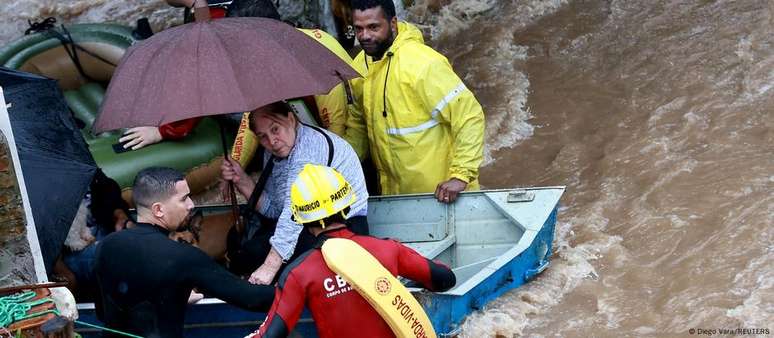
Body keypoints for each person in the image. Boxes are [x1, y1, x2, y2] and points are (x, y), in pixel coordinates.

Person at [245, 164, 455, 337]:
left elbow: (271, 335)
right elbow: (444, 279)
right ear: (346, 206)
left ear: (302, 220)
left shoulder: (299, 274)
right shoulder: (387, 249)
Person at [93, 167, 274, 338]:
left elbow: (103, 312)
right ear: (158, 209)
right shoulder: (182, 256)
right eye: (184, 199)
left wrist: (171, 296)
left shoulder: (104, 246)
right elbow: (251, 298)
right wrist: (296, 282)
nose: (191, 204)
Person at [344, 0, 486, 203]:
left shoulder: (423, 64)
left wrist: (460, 176)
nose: (365, 35)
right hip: (396, 198)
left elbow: (469, 116)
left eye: (373, 27)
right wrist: (340, 166)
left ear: (392, 24)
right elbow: (358, 126)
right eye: (358, 29)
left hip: (444, 197)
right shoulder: (360, 66)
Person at [220, 101, 369, 285]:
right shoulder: (276, 152)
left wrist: (270, 266)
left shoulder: (307, 149)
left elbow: (292, 213)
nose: (272, 142)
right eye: (263, 137)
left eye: (275, 129)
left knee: (261, 259)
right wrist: (242, 180)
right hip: (311, 225)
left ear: (291, 119)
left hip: (343, 226)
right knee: (246, 252)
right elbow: (275, 209)